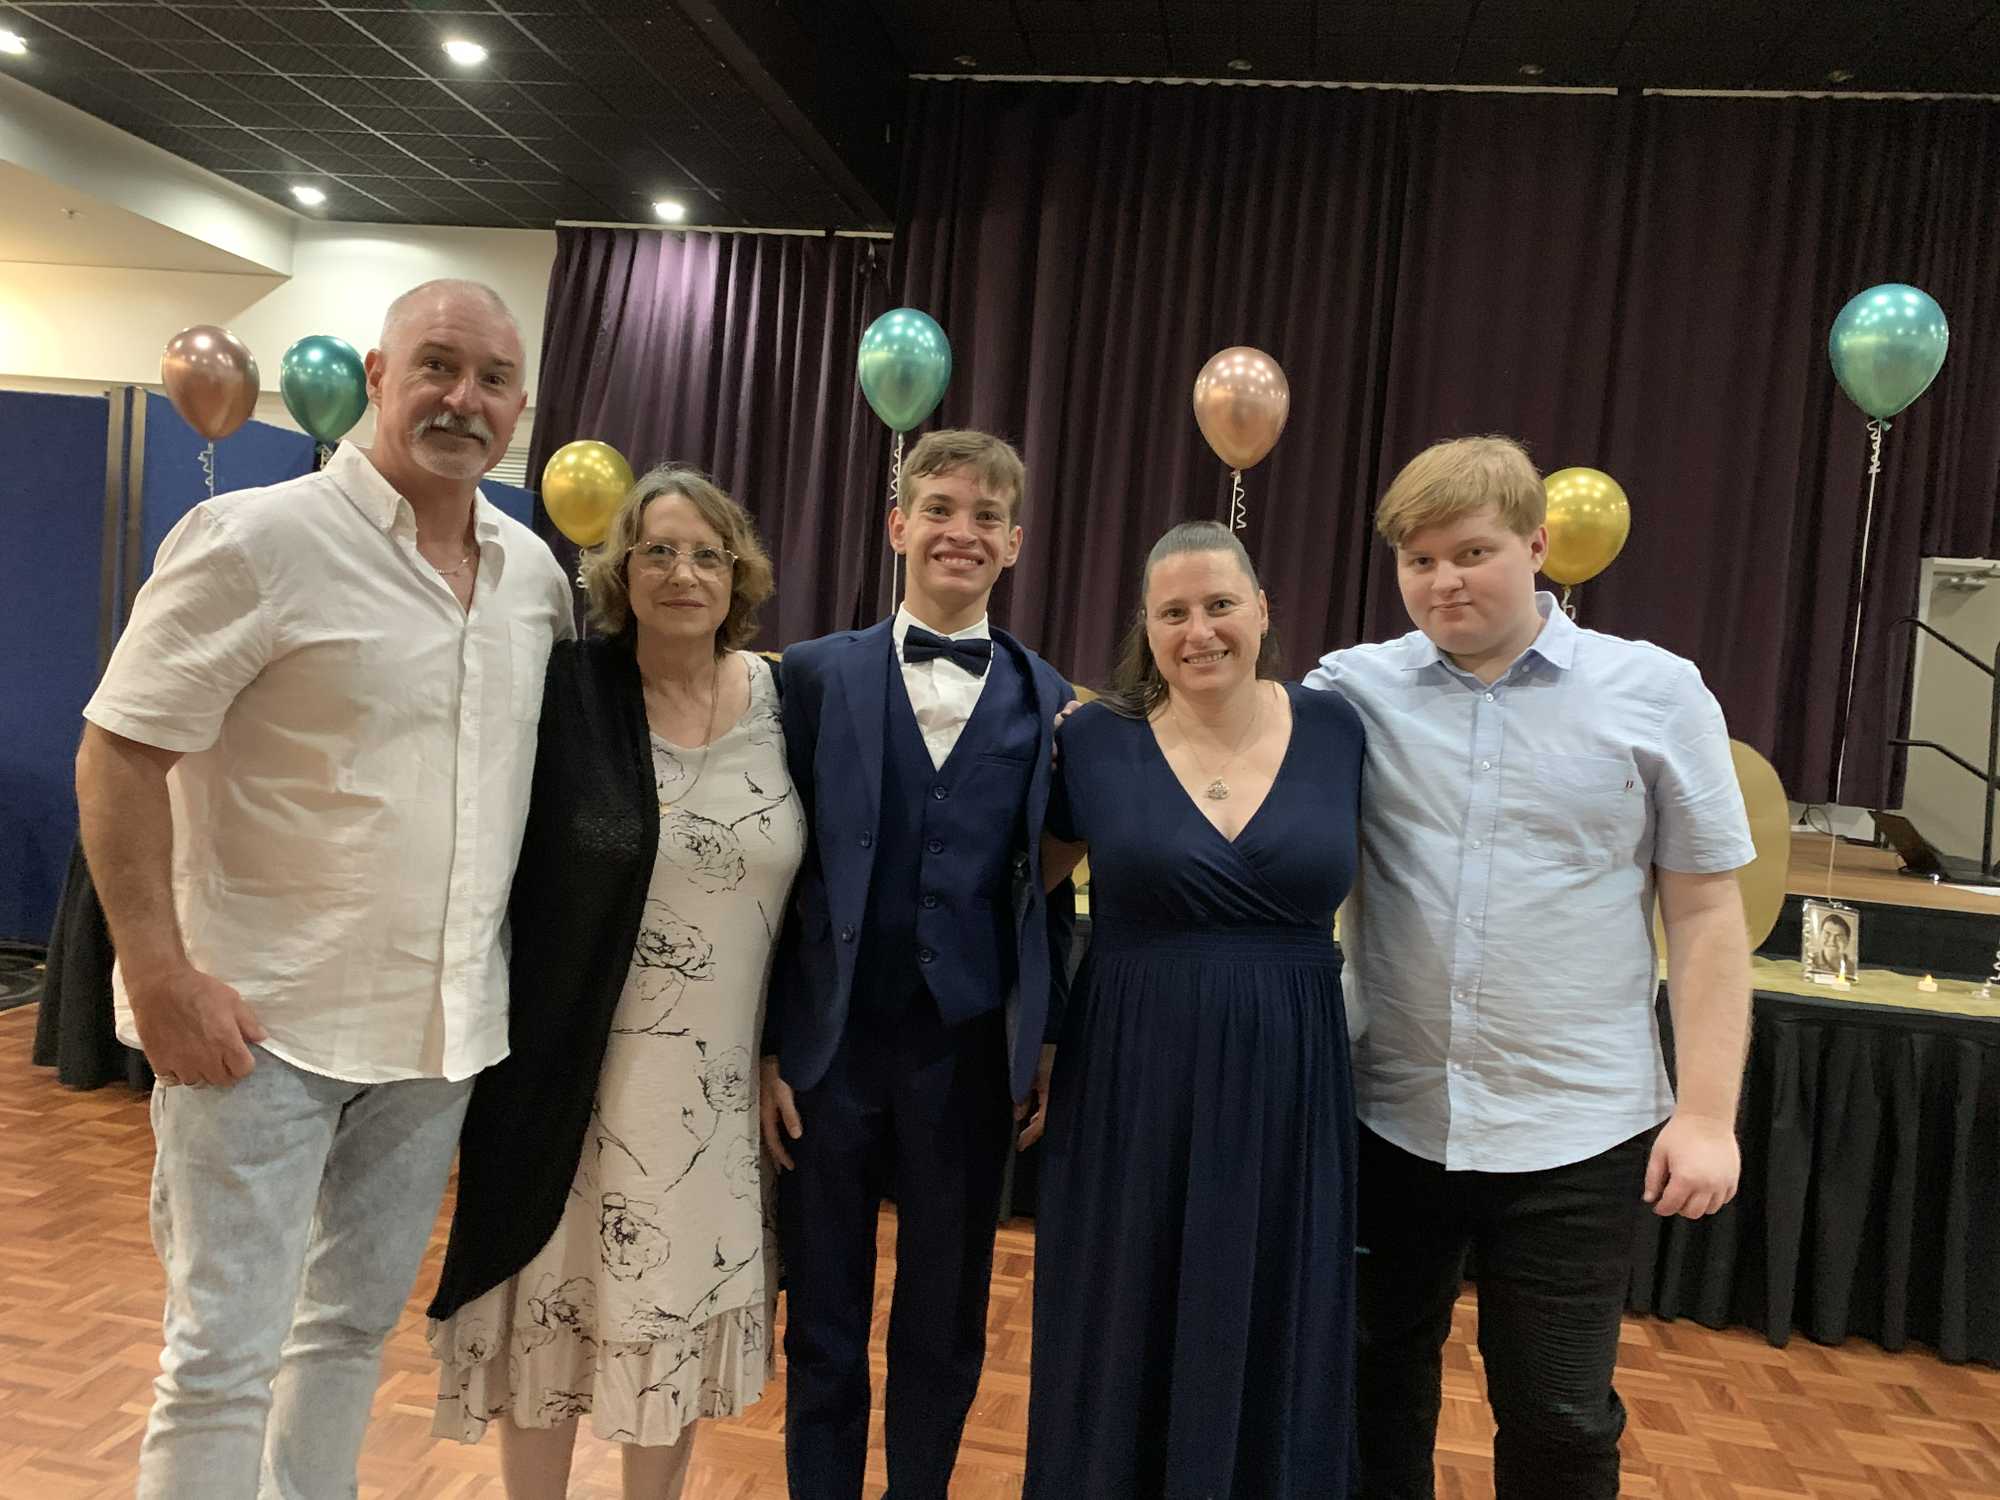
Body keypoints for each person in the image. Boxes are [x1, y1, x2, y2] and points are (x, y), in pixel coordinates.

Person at [74, 279, 571, 1499]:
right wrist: (158, 974)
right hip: (259, 1028)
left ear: (520, 405)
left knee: (347, 1332)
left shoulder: (530, 576)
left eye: (492, 379)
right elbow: (120, 752)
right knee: (220, 1357)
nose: (464, 398)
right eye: (438, 366)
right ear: (377, 371)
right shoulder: (259, 538)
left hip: (437, 1032)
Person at [1304, 435, 1754, 1499]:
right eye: (1417, 561)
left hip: (1576, 1131)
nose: (1441, 581)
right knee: (1370, 1392)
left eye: (1469, 552)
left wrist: (1704, 1113)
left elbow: (1703, 916)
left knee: (1557, 1416)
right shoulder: (1348, 691)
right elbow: (1222, 752)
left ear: (1537, 546)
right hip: (1387, 1117)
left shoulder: (1656, 692)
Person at [427, 465, 802, 1499]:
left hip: (715, 1098)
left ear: (739, 575)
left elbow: (819, 908)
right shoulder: (566, 691)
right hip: (570, 1081)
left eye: (706, 553)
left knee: (669, 1333)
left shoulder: (783, 701)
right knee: (549, 1320)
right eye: (657, 550)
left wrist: (783, 1052)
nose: (682, 572)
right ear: (619, 571)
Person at [760, 429, 1075, 1500]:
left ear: (1014, 543)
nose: (961, 530)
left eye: (985, 516)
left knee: (945, 1315)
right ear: (898, 525)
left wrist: (1043, 1037)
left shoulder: (1047, 699)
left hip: (968, 1051)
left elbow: (1051, 888)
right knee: (825, 1312)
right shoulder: (808, 677)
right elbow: (774, 872)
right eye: (939, 507)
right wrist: (767, 1047)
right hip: (830, 1046)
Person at [1025, 519, 1364, 1498]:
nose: (1198, 630)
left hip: (1287, 1072)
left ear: (1262, 610)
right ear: (1145, 623)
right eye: (1172, 612)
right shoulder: (1090, 739)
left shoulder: (1338, 728)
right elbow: (1029, 894)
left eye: (1219, 604)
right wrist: (1036, 1038)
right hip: (1130, 1068)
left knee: (1267, 1301)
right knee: (1120, 1300)